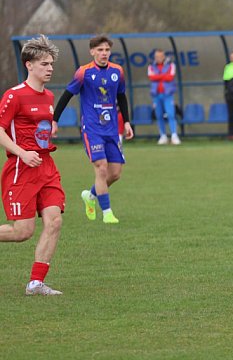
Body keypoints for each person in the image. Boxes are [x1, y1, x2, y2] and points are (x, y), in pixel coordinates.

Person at [0, 35, 64, 295]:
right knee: (22, 231)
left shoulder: (49, 96)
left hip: (46, 166)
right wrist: (22, 153)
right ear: (29, 65)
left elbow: (38, 128)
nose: (50, 68)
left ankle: (36, 283)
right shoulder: (14, 95)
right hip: (21, 168)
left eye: (51, 64)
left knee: (54, 221)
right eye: (44, 64)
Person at [52, 34, 134, 224]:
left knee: (115, 173)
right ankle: (107, 213)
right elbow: (67, 95)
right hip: (92, 129)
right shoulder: (84, 72)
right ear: (92, 52)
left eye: (107, 50)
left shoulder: (117, 71)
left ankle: (90, 196)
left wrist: (127, 122)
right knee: (101, 168)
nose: (104, 53)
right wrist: (54, 120)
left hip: (111, 129)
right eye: (100, 50)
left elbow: (121, 96)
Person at [148, 49, 180, 145]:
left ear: (163, 56)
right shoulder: (151, 66)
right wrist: (163, 76)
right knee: (159, 115)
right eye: (156, 57)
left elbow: (170, 77)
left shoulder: (171, 65)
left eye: (160, 56)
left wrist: (158, 76)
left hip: (168, 94)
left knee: (170, 114)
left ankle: (174, 135)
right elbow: (151, 77)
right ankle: (163, 136)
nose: (158, 58)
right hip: (156, 95)